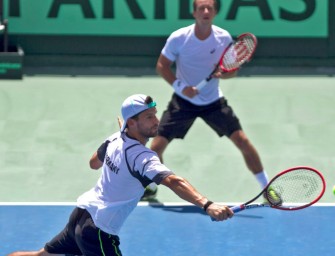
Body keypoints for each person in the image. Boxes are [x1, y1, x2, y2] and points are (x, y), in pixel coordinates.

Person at [8, 94, 234, 256]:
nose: (156, 121)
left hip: (80, 215)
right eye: (148, 117)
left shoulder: (114, 139)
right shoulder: (142, 157)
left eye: (155, 114)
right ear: (132, 122)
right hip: (98, 231)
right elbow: (173, 181)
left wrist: (118, 137)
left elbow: (93, 163)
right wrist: (207, 205)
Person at [149, 0, 279, 202]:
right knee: (154, 149)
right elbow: (161, 66)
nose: (206, 11)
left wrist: (222, 74)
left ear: (215, 12)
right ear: (194, 13)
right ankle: (150, 187)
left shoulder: (222, 37)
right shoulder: (179, 38)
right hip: (182, 102)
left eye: (210, 7)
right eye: (201, 8)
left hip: (213, 102)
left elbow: (231, 72)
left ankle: (266, 189)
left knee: (242, 141)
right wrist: (181, 87)